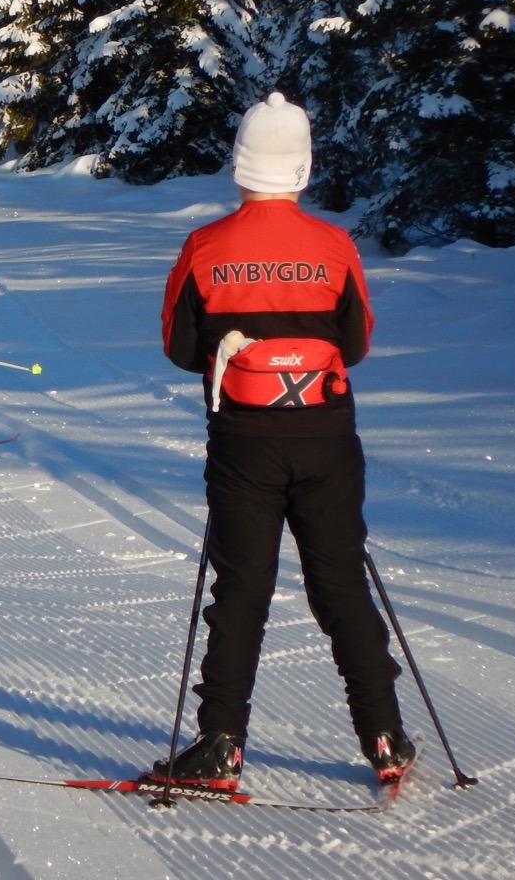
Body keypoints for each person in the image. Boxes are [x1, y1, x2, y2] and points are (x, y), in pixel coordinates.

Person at [147, 92, 415, 791]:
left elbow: (179, 347)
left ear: (241, 165)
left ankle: (221, 743)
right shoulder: (334, 246)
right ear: (302, 168)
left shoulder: (205, 247)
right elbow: (355, 344)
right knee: (341, 582)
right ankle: (384, 735)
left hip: (243, 440)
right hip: (326, 436)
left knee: (242, 587)